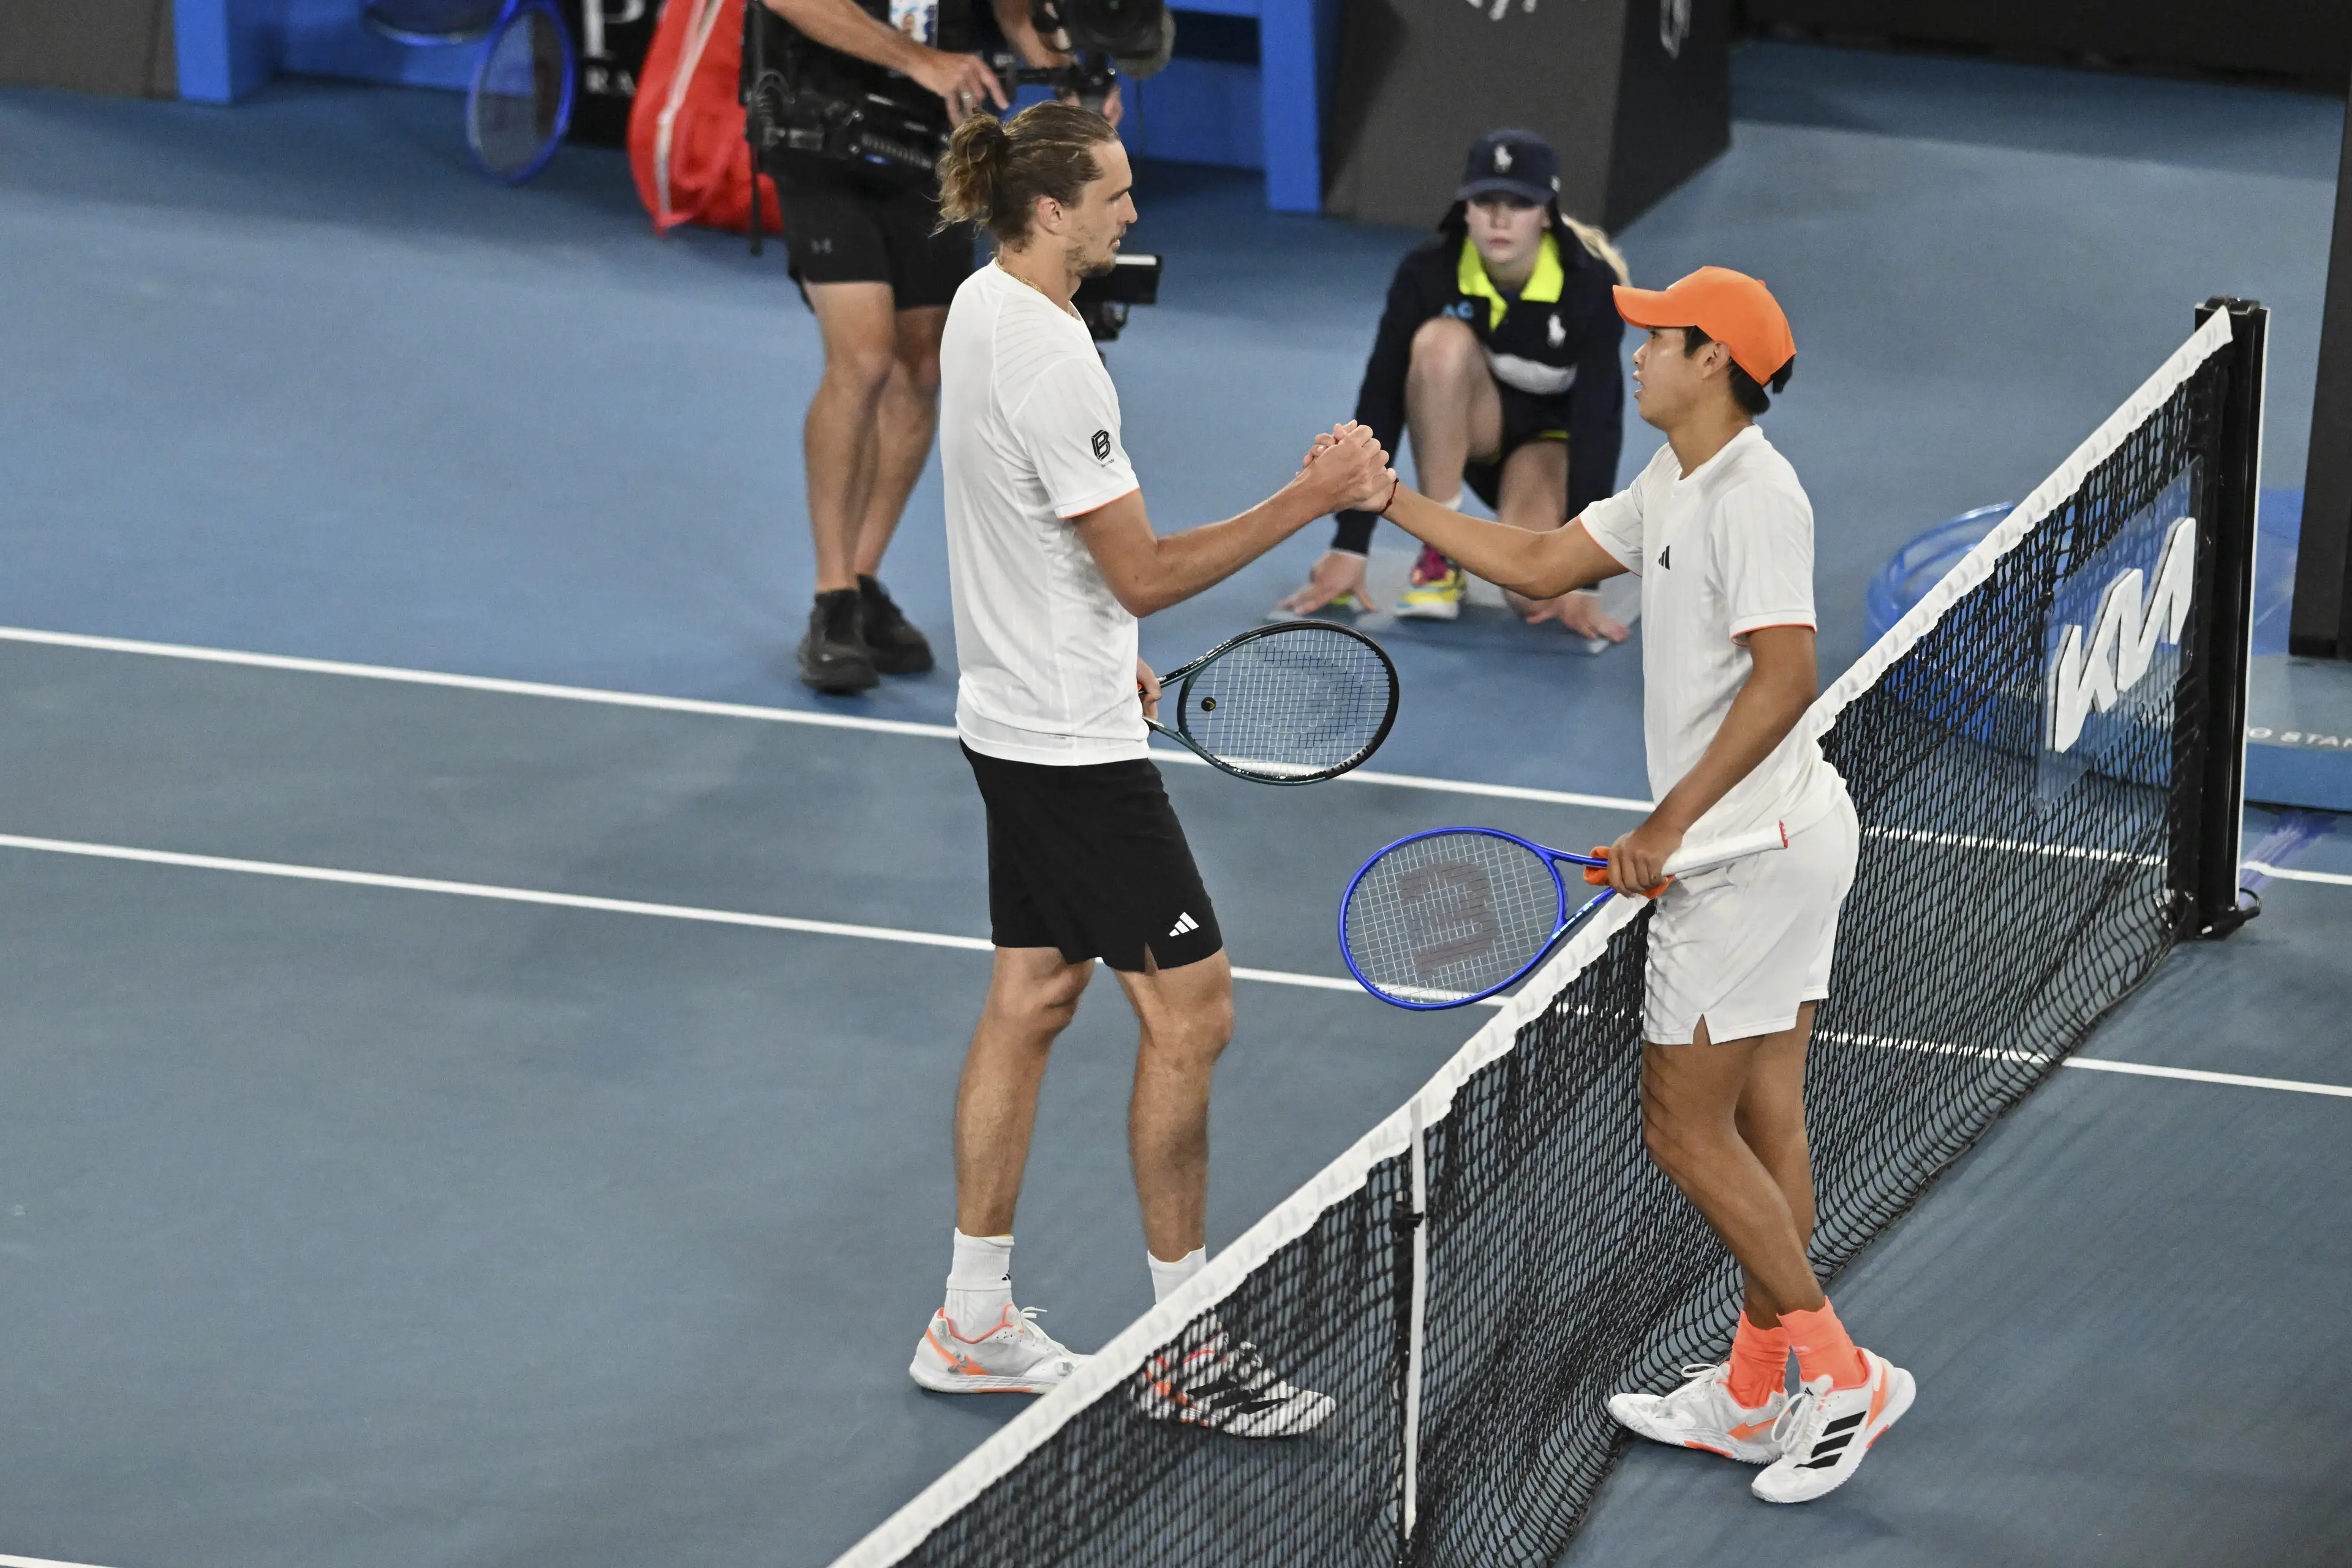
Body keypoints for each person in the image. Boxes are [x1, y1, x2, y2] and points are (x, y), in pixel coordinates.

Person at [1310, 266, 1913, 1502]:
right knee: (1766, 1121)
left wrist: (1667, 826)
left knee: (1683, 1127)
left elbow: (1786, 677)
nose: (1634, 354)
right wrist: (1395, 500)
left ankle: (1841, 1374)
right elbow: (1540, 563)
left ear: (1715, 360)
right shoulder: (1674, 479)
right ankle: (1756, 1386)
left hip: (1744, 859)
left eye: (1659, 339)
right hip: (1777, 839)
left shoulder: (1756, 497)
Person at [908, 101, 1396, 1435]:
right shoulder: (1055, 360)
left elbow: (1034, 534)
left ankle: (972, 1318)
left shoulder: (982, 304)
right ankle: (1187, 1344)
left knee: (1034, 994)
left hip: (1016, 709)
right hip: (1071, 748)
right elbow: (1143, 568)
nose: (1134, 212)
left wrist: (1100, 644)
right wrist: (1311, 498)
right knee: (1195, 1014)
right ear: (1051, 209)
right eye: (1115, 195)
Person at [756, 0, 1121, 694]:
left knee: (922, 367)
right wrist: (918, 60)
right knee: (865, 357)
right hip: (820, 137)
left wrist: (1072, 85)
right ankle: (832, 598)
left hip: (933, 148)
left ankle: (862, 576)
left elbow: (1016, 16)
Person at [1277, 129, 1629, 643]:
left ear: (1546, 214)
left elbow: (1599, 423)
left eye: (1520, 204)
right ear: (1465, 208)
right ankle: (1440, 553)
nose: (1500, 220)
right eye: (1486, 202)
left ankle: (1518, 539)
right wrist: (1351, 544)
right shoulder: (1428, 273)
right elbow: (1381, 397)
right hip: (1469, 432)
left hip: (1547, 447)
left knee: (1535, 592)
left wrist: (1586, 576)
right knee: (1439, 344)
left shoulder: (1590, 286)